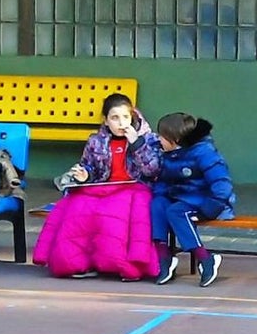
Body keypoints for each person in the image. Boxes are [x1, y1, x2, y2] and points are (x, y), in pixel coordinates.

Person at [32, 93, 161, 281]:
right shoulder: (95, 141)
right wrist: (85, 175)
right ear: (106, 120)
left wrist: (136, 143)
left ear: (132, 117)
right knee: (76, 208)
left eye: (125, 117)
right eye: (114, 118)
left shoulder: (148, 139)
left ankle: (122, 265)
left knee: (114, 216)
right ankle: (79, 263)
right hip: (102, 187)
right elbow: (88, 165)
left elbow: (152, 170)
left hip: (134, 188)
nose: (121, 123)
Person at [150, 113, 236, 288]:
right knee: (157, 204)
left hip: (207, 201)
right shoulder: (168, 154)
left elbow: (222, 184)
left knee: (175, 212)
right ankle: (164, 258)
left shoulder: (203, 152)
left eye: (162, 136)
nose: (159, 139)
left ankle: (205, 258)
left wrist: (209, 208)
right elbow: (164, 181)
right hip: (181, 197)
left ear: (175, 139)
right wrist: (161, 195)